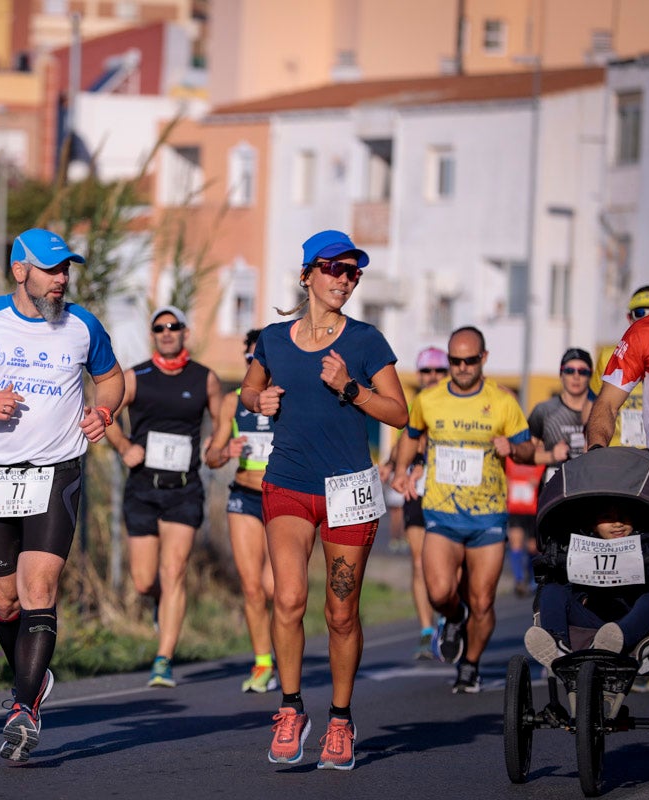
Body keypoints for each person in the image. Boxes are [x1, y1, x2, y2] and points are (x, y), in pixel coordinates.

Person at [0, 227, 125, 764]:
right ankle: (31, 681)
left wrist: (104, 412)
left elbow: (111, 378)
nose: (61, 280)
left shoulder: (82, 326)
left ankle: (24, 708)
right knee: (5, 598)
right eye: (52, 270)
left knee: (40, 587)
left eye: (66, 271)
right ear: (20, 271)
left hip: (58, 469)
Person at [240, 229, 408, 771]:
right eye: (334, 269)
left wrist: (352, 389)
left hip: (349, 490)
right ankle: (290, 709)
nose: (344, 279)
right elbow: (248, 390)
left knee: (341, 612)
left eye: (353, 272)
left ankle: (339, 717)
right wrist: (258, 397)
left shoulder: (364, 342)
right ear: (308, 274)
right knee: (287, 599)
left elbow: (399, 412)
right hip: (288, 481)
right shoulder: (273, 338)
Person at [392, 326, 535, 695]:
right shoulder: (430, 399)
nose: (461, 367)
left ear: (483, 359)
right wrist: (400, 472)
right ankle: (454, 618)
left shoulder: (502, 401)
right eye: (455, 361)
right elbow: (410, 434)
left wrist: (513, 450)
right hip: (442, 514)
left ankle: (470, 665)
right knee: (440, 592)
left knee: (483, 600)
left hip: (487, 516)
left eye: (469, 360)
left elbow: (529, 449)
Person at [104, 305, 222, 688]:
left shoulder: (205, 378)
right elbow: (105, 415)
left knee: (174, 571)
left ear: (185, 332)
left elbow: (223, 419)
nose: (167, 332)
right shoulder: (135, 377)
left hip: (184, 488)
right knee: (143, 581)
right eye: (160, 328)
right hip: (142, 486)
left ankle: (163, 658)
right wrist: (124, 447)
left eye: (174, 326)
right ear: (153, 334)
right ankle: (159, 603)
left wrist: (216, 445)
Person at [204, 328, 276, 693]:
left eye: (260, 361)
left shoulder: (287, 399)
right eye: (249, 360)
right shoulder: (233, 404)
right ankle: (263, 661)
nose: (254, 367)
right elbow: (212, 456)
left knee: (273, 586)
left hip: (282, 500)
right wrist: (224, 452)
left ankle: (286, 647)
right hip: (245, 498)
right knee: (251, 587)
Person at [525, 501, 649, 671]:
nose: (617, 524)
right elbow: (567, 584)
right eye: (607, 517)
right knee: (552, 590)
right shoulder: (578, 547)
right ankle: (557, 645)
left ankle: (615, 641)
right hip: (591, 619)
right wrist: (580, 597)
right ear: (594, 526)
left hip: (633, 621)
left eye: (623, 518)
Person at [379, 346, 449, 660]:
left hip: (450, 494)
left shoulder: (454, 406)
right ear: (418, 376)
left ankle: (448, 618)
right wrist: (391, 464)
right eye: (426, 371)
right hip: (416, 493)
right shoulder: (413, 407)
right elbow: (402, 445)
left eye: (439, 371)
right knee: (419, 562)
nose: (432, 377)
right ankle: (426, 630)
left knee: (450, 564)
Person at [510, 348, 594, 596]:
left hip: (589, 490)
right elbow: (524, 454)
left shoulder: (600, 408)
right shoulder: (544, 411)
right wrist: (550, 456)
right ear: (561, 374)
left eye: (582, 371)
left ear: (590, 375)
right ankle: (551, 602)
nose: (576, 376)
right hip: (553, 490)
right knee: (553, 554)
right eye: (570, 370)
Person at [587, 285, 649, 449]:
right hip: (621, 455)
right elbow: (602, 404)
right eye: (640, 313)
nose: (646, 317)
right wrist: (594, 452)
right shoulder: (611, 353)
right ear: (629, 317)